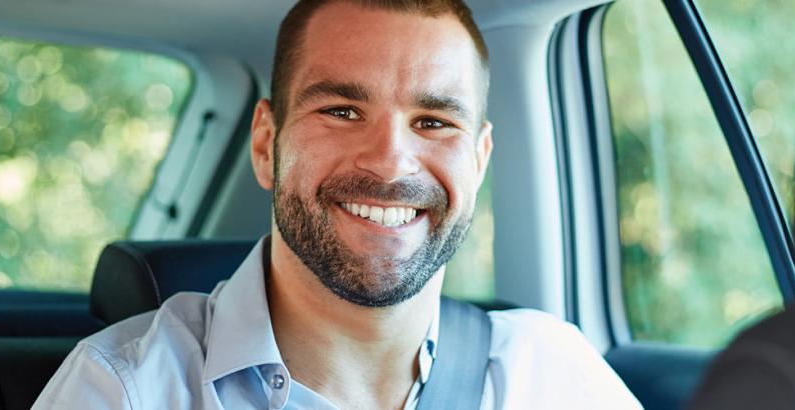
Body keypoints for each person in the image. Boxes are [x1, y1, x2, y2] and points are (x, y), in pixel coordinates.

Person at [34, 1, 641, 408]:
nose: (390, 160)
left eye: (433, 121)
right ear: (268, 146)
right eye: (343, 112)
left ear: (479, 161)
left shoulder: (553, 378)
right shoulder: (125, 392)